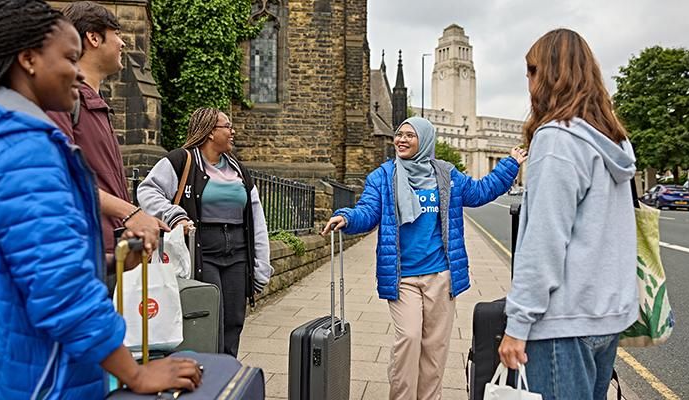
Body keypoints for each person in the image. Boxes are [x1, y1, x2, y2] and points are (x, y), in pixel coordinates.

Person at [0, 1, 200, 398]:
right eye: (70, 58)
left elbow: (8, 262)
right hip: (12, 382)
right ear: (28, 59)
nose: (78, 73)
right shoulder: (24, 149)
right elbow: (61, 288)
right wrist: (137, 374)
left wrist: (107, 262)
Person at [323, 117, 526, 400]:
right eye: (399, 134)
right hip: (402, 275)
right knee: (408, 338)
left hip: (441, 274)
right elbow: (368, 211)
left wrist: (509, 165)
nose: (401, 140)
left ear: (425, 140)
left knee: (435, 347)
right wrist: (347, 217)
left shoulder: (446, 174)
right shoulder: (383, 177)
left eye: (410, 135)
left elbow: (480, 192)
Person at [498, 29, 639, 400]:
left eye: (531, 71)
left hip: (561, 324)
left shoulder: (556, 139)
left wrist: (518, 324)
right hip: (605, 319)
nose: (527, 81)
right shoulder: (612, 141)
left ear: (550, 75)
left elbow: (544, 241)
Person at [137, 108, 273, 357]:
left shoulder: (239, 170)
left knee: (233, 321)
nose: (233, 132)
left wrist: (261, 266)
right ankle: (205, 379)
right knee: (209, 320)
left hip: (238, 254)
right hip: (202, 253)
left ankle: (227, 374)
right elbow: (147, 191)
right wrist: (174, 214)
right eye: (227, 126)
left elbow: (256, 219)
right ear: (211, 132)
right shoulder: (182, 160)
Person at [47, 1, 167, 262]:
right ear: (93, 37)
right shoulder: (62, 99)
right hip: (80, 256)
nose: (123, 44)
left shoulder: (94, 102)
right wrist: (131, 213)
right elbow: (59, 178)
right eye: (118, 35)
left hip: (110, 255)